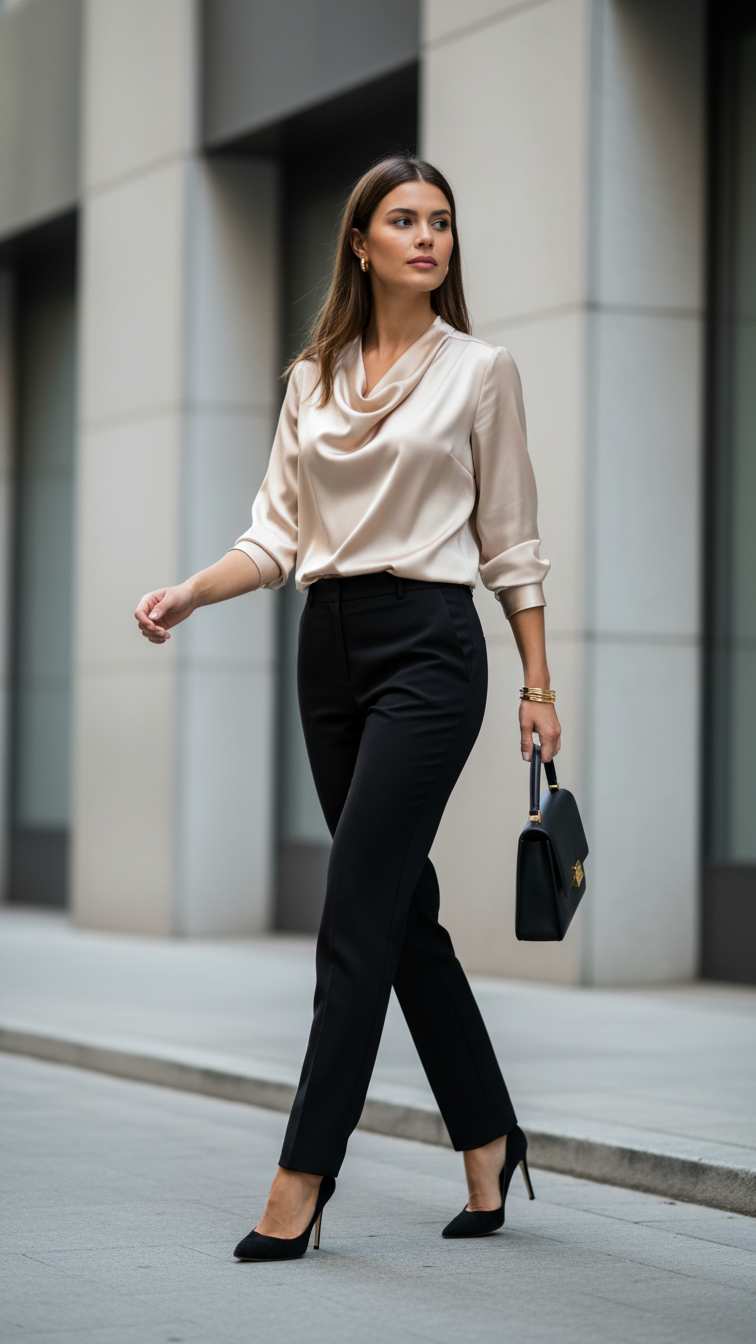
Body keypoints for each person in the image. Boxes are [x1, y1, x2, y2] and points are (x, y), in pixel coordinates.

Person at [135, 156, 561, 1262]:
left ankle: (302, 1174)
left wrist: (539, 684)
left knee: (354, 914)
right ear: (362, 242)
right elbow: (275, 535)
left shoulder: (481, 371)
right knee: (398, 915)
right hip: (326, 650)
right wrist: (191, 592)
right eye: (404, 220)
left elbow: (511, 541)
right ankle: (489, 1135)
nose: (428, 238)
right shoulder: (312, 378)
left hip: (431, 651)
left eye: (443, 224)